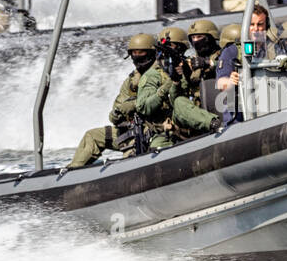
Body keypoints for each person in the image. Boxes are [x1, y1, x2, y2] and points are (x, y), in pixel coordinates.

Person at [67, 33, 157, 168]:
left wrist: (133, 105)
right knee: (92, 135)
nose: (137, 56)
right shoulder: (131, 81)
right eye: (134, 53)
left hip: (152, 129)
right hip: (130, 130)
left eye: (141, 52)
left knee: (132, 160)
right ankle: (71, 172)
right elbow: (115, 112)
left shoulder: (161, 74)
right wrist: (118, 113)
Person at [137, 27, 223, 149]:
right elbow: (144, 107)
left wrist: (207, 64)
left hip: (197, 116)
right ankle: (213, 123)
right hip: (172, 127)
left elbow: (221, 68)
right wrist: (172, 83)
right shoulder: (152, 75)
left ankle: (216, 124)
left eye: (173, 47)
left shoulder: (189, 65)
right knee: (178, 102)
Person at [215, 22, 244, 127]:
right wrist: (231, 82)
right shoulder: (230, 51)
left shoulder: (263, 49)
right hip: (237, 119)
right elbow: (221, 83)